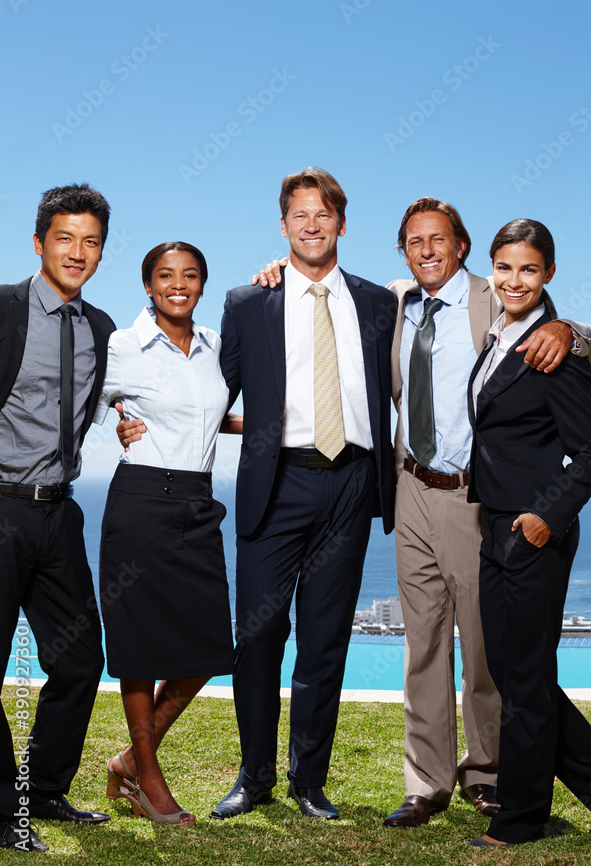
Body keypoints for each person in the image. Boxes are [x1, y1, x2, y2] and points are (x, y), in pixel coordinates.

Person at [250, 197, 591, 828]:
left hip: (474, 496)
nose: (427, 251)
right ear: (403, 252)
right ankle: (426, 783)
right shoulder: (392, 303)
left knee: (486, 649)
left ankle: (486, 774)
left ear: (461, 246)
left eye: (438, 239)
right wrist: (281, 268)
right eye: (414, 242)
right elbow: (320, 295)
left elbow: (573, 334)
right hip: (408, 487)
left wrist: (570, 332)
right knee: (423, 645)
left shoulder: (494, 296)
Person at [211, 167, 397, 821]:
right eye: (300, 214)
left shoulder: (381, 303)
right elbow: (215, 392)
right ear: (284, 225)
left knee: (325, 641)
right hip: (275, 482)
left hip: (351, 482)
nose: (312, 224)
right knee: (257, 638)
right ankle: (254, 776)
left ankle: (308, 781)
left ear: (342, 224)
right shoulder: (247, 302)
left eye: (324, 214)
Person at [467, 219, 591, 847]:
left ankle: (521, 818)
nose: (514, 280)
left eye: (529, 269)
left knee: (522, 679)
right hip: (494, 524)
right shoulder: (499, 337)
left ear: (547, 275)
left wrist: (545, 518)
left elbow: (590, 455)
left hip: (532, 533)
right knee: (521, 673)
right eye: (505, 268)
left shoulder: (556, 350)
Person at [96, 242, 240, 825]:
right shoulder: (123, 346)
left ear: (202, 285)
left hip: (198, 501)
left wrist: (265, 429)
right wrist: (117, 420)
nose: (178, 285)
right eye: (165, 276)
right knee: (140, 646)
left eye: (190, 276)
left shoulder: (216, 348)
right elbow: (84, 401)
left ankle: (130, 758)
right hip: (140, 502)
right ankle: (150, 778)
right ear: (148, 285)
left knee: (209, 647)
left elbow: (207, 415)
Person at [0, 184, 115, 853]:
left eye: (91, 240)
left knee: (78, 660)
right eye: (65, 238)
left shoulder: (98, 327)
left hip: (59, 514)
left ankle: (43, 788)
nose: (77, 252)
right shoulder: (7, 309)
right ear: (39, 241)